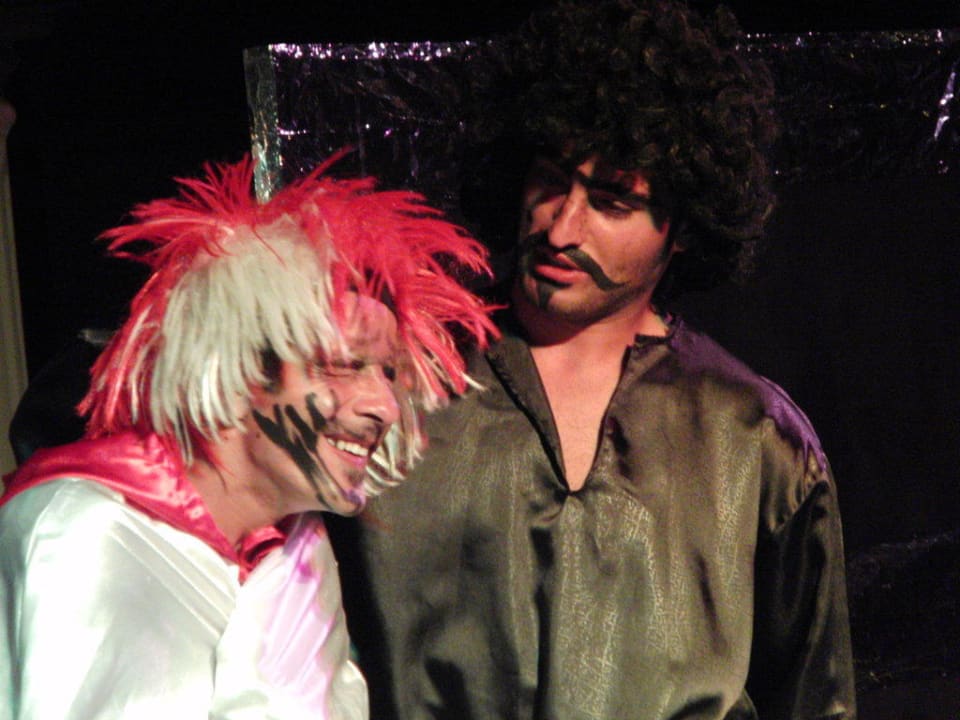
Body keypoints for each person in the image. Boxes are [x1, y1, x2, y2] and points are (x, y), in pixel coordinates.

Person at [338, 1, 857, 718]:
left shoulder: (755, 438)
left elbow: (812, 699)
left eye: (612, 201)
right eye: (551, 181)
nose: (560, 227)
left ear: (681, 227)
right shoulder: (395, 386)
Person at [0, 155, 495, 719]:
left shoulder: (300, 551)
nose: (384, 406)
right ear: (238, 369)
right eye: (343, 364)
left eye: (386, 373)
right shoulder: (84, 537)